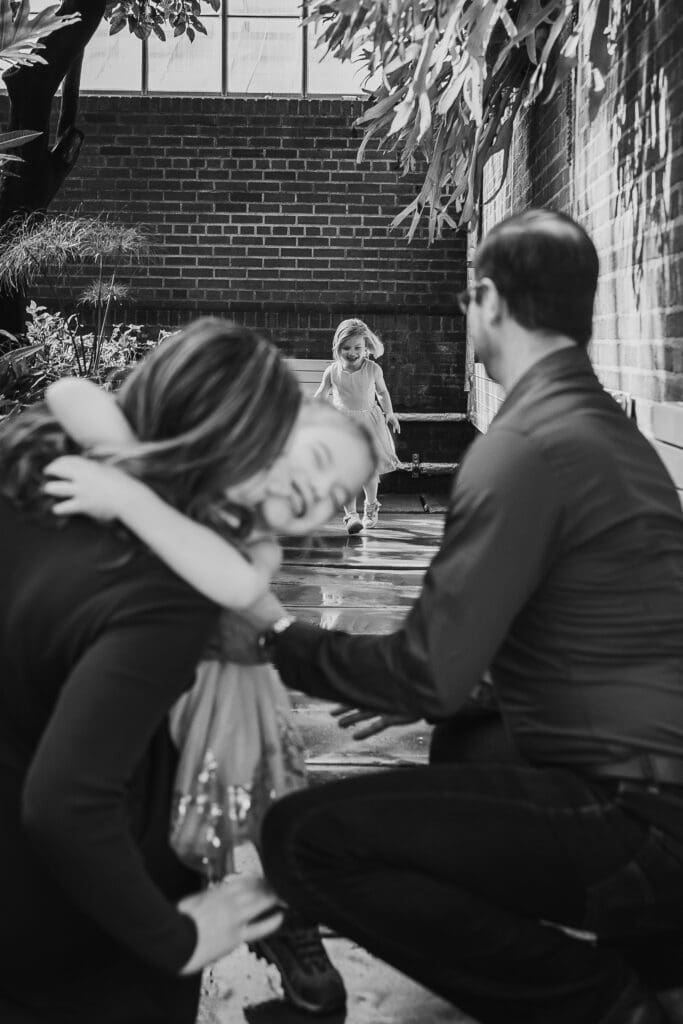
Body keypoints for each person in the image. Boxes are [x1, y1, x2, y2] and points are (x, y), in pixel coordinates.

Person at [248, 211, 683, 1024]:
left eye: (465, 296)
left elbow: (425, 671)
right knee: (469, 739)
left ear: (487, 300)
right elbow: (549, 648)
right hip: (658, 790)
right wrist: (462, 685)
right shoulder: (603, 434)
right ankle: (653, 949)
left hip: (645, 825)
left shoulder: (522, 446)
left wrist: (276, 636)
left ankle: (604, 1004)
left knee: (303, 839)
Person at [0, 317, 369, 1024]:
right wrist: (180, 938)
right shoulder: (166, 592)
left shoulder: (34, 451)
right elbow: (64, 805)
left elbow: (73, 396)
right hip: (75, 931)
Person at [314, 317, 400, 534]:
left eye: (357, 348)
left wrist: (389, 413)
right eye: (346, 348)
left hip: (368, 424)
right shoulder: (332, 371)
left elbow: (382, 392)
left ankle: (371, 505)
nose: (352, 353)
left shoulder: (373, 369)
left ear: (366, 348)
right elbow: (321, 394)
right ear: (337, 348)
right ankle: (350, 515)